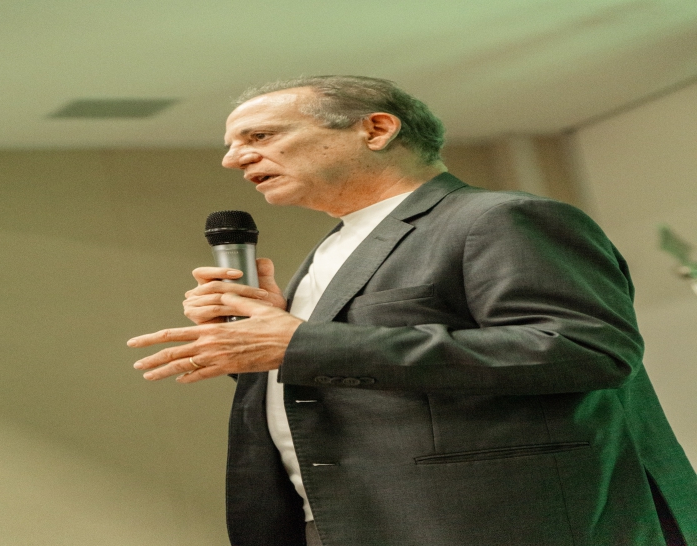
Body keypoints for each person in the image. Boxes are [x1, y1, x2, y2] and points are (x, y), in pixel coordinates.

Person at [128, 76, 697, 546]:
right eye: (233, 145)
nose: (233, 159)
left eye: (260, 135)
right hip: (345, 518)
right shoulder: (331, 249)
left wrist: (300, 343)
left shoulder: (497, 218)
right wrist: (258, 342)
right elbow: (348, 372)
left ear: (376, 129)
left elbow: (584, 349)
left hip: (488, 521)